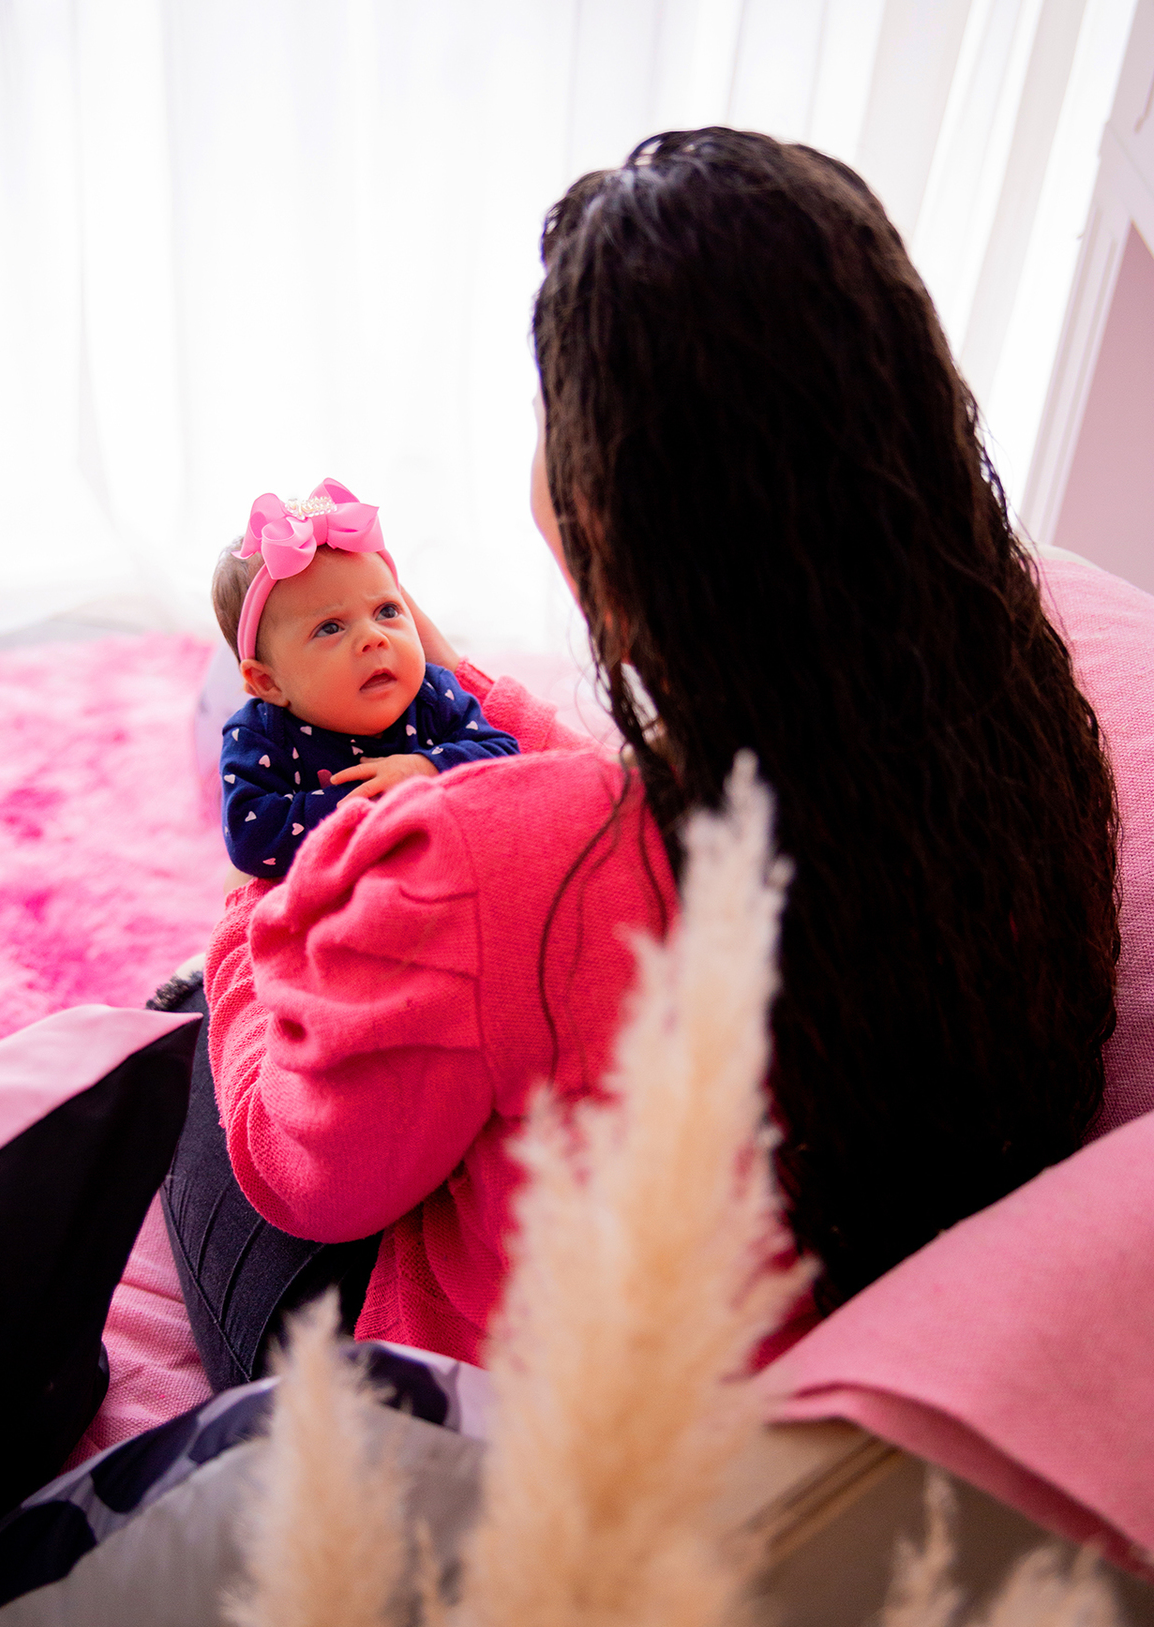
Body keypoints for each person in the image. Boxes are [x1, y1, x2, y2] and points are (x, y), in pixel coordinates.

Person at [154, 125, 1118, 1391]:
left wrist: (246, 938)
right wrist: (457, 692)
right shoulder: (1005, 748)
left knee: (198, 1046)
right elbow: (613, 803)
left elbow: (305, 1171)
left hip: (462, 1420)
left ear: (612, 515)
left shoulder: (494, 870)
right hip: (768, 1343)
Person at [212, 478, 518, 876]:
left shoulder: (432, 693)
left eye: (387, 611)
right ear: (269, 683)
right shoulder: (259, 734)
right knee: (234, 890)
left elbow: (504, 756)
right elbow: (250, 839)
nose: (373, 638)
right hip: (333, 892)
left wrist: (422, 770)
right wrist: (370, 802)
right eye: (330, 628)